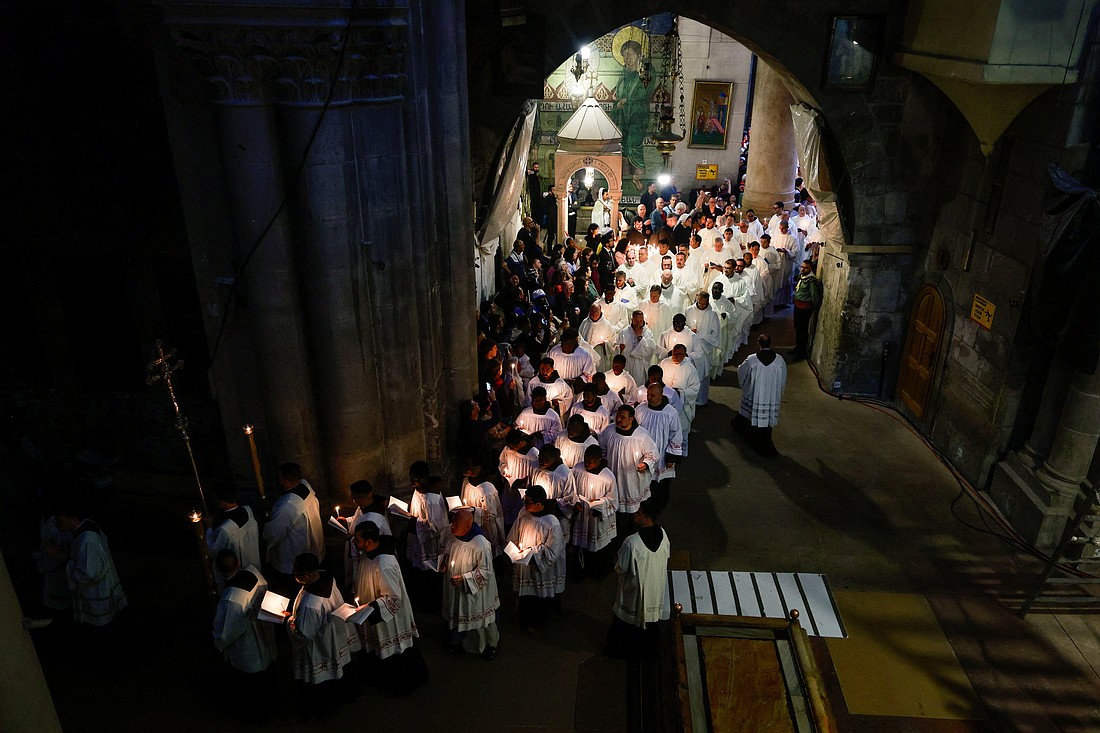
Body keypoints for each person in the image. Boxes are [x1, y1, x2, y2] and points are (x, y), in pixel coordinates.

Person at [350, 522, 427, 692]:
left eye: (357, 540)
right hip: (370, 610)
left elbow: (393, 597)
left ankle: (401, 685)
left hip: (389, 617)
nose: (353, 542)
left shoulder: (384, 563)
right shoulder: (367, 555)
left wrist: (371, 606)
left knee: (395, 650)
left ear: (369, 541)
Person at [286, 553, 360, 695]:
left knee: (323, 681)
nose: (294, 577)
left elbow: (304, 634)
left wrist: (289, 621)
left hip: (321, 644)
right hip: (335, 632)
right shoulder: (326, 577)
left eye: (297, 574)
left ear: (307, 576)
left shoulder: (310, 604)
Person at [607, 498, 670, 657]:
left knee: (626, 623)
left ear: (647, 518)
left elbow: (621, 568)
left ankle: (620, 650)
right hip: (654, 589)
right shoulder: (663, 534)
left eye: (640, 512)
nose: (636, 512)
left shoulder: (632, 542)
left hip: (634, 593)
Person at [49, 505, 127, 628]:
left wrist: (63, 559)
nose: (58, 527)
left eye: (61, 523)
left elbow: (88, 573)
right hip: (102, 587)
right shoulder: (87, 526)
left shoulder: (87, 540)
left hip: (96, 593)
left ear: (73, 519)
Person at [212, 550, 276, 690]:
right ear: (238, 563)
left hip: (249, 643)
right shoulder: (254, 573)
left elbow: (227, 631)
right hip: (263, 630)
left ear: (218, 569)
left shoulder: (231, 598)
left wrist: (218, 642)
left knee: (251, 683)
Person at [442, 508, 501, 659]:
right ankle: (457, 641)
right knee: (456, 613)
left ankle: (491, 644)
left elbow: (485, 572)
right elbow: (447, 551)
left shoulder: (480, 544)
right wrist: (443, 563)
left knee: (484, 620)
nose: (452, 526)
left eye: (456, 524)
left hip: (475, 591)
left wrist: (465, 578)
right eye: (453, 522)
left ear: (468, 525)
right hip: (454, 586)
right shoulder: (453, 534)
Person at [507, 485, 566, 632]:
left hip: (539, 567)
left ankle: (537, 621)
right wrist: (513, 549)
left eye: (527, 502)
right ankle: (524, 619)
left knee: (538, 597)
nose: (524, 505)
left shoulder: (551, 523)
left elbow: (553, 551)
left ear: (539, 504)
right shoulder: (523, 512)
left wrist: (532, 553)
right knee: (525, 597)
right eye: (524, 500)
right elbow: (514, 534)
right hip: (523, 564)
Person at [265, 463, 325, 593]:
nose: (278, 480)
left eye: (279, 478)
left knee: (294, 589)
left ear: (286, 481)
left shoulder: (287, 505)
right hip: (312, 545)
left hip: (294, 553)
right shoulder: (305, 486)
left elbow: (273, 533)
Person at [599, 405, 658, 526]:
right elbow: (602, 448)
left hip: (632, 479)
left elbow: (652, 454)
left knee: (632, 513)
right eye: (617, 416)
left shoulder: (641, 435)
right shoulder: (609, 431)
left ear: (631, 419)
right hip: (614, 474)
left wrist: (646, 464)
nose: (619, 420)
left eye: (623, 417)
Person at [734, 334, 788, 457]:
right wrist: (779, 392)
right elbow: (783, 379)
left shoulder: (752, 360)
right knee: (766, 421)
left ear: (758, 344)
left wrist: (744, 385)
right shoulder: (779, 360)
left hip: (755, 395)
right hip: (771, 397)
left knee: (753, 417)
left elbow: (742, 373)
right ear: (770, 343)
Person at [570, 444, 618, 577]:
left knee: (597, 547)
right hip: (582, 515)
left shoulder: (608, 477)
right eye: (585, 460)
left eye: (590, 461)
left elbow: (613, 500)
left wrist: (600, 506)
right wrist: (576, 503)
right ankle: (580, 570)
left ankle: (598, 571)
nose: (586, 464)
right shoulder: (578, 469)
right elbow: (571, 489)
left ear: (598, 460)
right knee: (580, 545)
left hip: (597, 518)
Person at [634, 382, 684, 509]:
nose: (649, 398)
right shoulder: (640, 409)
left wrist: (671, 458)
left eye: (652, 395)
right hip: (643, 453)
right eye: (648, 394)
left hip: (662, 454)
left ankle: (659, 506)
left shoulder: (670, 413)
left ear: (661, 395)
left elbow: (676, 435)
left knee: (661, 483)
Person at [206, 485, 262, 590]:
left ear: (222, 502)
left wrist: (209, 529)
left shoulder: (225, 529)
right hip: (253, 559)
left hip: (237, 567)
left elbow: (214, 551)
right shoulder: (247, 510)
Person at [459, 458, 506, 557]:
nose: (464, 468)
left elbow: (490, 515)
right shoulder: (466, 481)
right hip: (469, 524)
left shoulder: (487, 489)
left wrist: (473, 511)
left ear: (478, 468)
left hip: (485, 528)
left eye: (468, 466)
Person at [684, 291, 721, 405]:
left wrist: (700, 337)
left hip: (704, 349)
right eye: (699, 303)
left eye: (703, 304)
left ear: (707, 302)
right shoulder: (689, 310)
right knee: (689, 373)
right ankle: (688, 398)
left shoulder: (712, 315)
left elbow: (715, 334)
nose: (701, 306)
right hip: (690, 348)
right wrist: (689, 331)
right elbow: (684, 326)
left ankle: (701, 399)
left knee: (702, 374)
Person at [791, 260, 823, 361]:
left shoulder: (811, 281)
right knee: (797, 327)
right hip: (798, 306)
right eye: (802, 267)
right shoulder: (802, 276)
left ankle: (801, 353)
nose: (802, 269)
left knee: (803, 330)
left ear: (810, 269)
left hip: (805, 308)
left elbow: (814, 296)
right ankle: (797, 348)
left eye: (805, 268)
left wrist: (813, 307)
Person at [615, 310, 657, 387]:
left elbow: (650, 350)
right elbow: (615, 348)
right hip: (627, 364)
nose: (638, 324)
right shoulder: (624, 332)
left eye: (640, 321)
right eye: (636, 321)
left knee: (638, 387)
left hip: (639, 366)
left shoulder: (648, 333)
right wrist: (619, 349)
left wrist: (640, 337)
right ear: (632, 320)